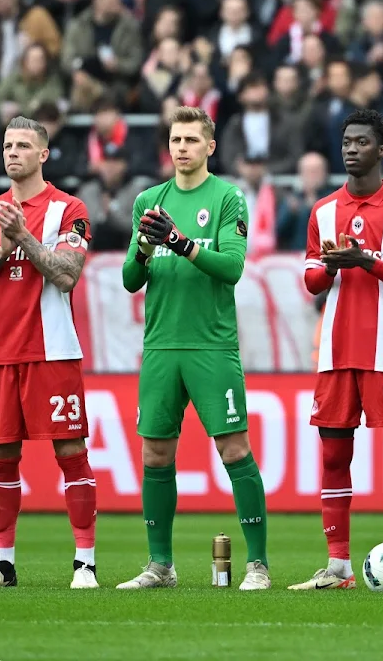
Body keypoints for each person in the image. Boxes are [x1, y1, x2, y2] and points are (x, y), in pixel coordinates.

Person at [119, 106, 271, 592]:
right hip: (161, 345)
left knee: (234, 449)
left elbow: (231, 267)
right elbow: (129, 280)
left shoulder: (228, 198)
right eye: (175, 139)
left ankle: (258, 566)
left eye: (190, 139)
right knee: (156, 455)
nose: (181, 147)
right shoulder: (149, 199)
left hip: (211, 345)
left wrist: (181, 243)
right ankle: (160, 565)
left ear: (210, 146)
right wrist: (144, 249)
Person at [289, 108, 383, 592]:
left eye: (361, 142)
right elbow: (312, 281)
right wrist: (334, 266)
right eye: (346, 142)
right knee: (333, 457)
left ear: (382, 150)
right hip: (335, 354)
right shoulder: (323, 210)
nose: (351, 149)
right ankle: (337, 567)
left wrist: (368, 261)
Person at [0, 116, 98, 590]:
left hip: (52, 350)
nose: (11, 152)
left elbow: (66, 275)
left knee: (70, 451)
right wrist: (4, 248)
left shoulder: (69, 208)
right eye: (6, 145)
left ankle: (84, 563)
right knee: (0, 453)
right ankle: (2, 563)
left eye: (22, 146)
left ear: (43, 155)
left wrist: (27, 238)